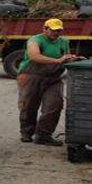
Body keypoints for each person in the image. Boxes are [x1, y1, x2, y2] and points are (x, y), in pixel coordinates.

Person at [16, 18, 78, 146]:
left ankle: (43, 135)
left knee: (54, 106)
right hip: (32, 76)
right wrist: (58, 61)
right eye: (53, 30)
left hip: (53, 78)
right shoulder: (35, 40)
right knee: (29, 105)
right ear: (44, 29)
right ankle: (26, 132)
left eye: (58, 30)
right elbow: (34, 56)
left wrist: (72, 59)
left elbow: (65, 57)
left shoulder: (64, 42)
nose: (56, 33)